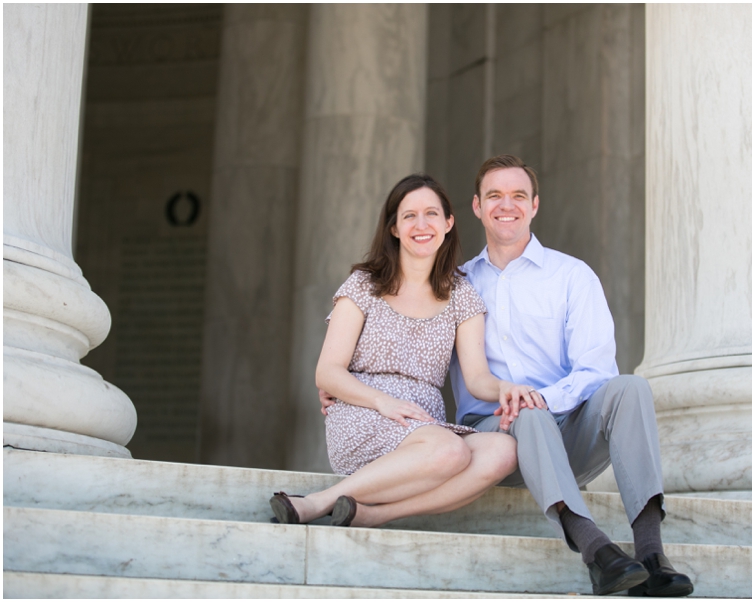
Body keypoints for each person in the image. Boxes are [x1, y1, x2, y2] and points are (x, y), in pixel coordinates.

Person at [447, 155, 694, 597]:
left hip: (567, 434)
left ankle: (652, 553)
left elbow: (597, 369)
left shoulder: (571, 276)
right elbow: (411, 345)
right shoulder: (456, 284)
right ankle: (596, 550)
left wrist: (539, 400)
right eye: (495, 196)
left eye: (519, 195)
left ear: (535, 205)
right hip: (492, 440)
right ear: (477, 207)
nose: (508, 205)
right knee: (529, 416)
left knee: (629, 388)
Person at [272, 173, 539, 529]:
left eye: (431, 214)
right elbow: (328, 372)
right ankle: (317, 502)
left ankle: (370, 514)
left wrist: (505, 388)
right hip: (365, 413)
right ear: (395, 228)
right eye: (408, 215)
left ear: (448, 223)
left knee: (504, 451)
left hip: (424, 425)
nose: (421, 224)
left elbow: (477, 378)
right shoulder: (364, 284)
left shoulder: (461, 295)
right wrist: (383, 402)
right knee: (449, 450)